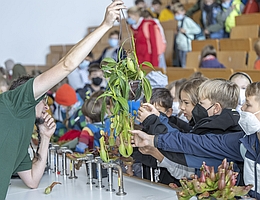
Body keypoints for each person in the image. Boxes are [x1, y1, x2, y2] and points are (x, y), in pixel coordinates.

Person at [0, 1, 125, 199]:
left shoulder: (20, 130)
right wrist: (105, 25)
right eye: (44, 100)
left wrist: (46, 137)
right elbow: (66, 65)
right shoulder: (16, 102)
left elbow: (32, 180)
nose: (47, 107)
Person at [132, 81, 260, 199]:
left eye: (248, 104)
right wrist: (157, 122)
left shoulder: (229, 131)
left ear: (216, 108)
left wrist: (154, 124)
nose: (242, 108)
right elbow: (191, 142)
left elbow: (186, 153)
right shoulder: (245, 140)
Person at [173, 3, 201, 68]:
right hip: (180, 46)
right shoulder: (178, 21)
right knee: (181, 65)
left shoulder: (187, 20)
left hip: (187, 47)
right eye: (175, 13)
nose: (176, 15)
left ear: (183, 12)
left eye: (178, 13)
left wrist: (187, 31)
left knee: (185, 65)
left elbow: (197, 29)